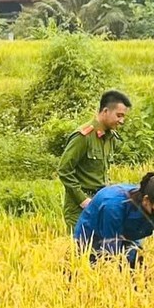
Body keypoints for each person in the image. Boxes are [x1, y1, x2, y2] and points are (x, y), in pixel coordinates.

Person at [57, 90, 131, 229]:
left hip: (101, 201)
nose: (122, 121)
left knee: (102, 247)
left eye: (124, 117)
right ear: (105, 111)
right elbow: (64, 170)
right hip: (79, 207)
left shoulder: (111, 138)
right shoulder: (83, 136)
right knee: (81, 248)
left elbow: (102, 172)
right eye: (119, 115)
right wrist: (83, 200)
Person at [75, 172, 154, 267]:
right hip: (94, 237)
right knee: (96, 269)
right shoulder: (113, 206)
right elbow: (111, 247)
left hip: (128, 235)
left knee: (135, 265)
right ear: (146, 200)